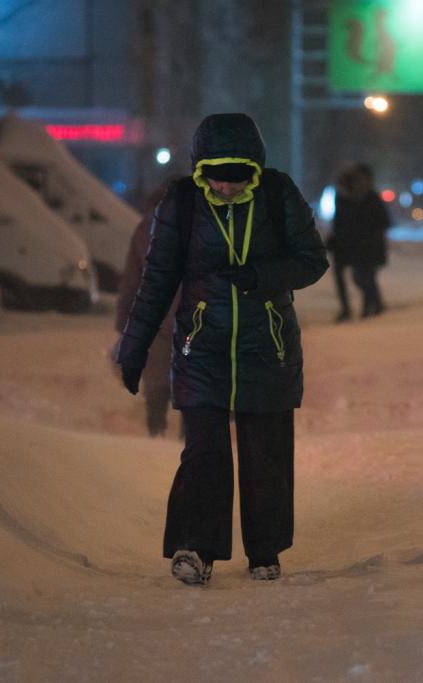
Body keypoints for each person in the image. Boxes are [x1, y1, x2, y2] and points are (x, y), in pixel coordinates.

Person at [115, 113, 328, 585]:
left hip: (267, 346)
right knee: (202, 454)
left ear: (254, 168)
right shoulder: (182, 203)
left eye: (236, 175)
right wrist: (133, 349)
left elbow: (313, 260)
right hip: (201, 348)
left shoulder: (278, 194)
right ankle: (196, 548)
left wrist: (261, 276)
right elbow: (155, 282)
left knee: (266, 455)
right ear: (200, 169)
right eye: (216, 175)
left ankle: (265, 551)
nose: (226, 186)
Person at [114, 186, 178, 438]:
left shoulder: (144, 230)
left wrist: (124, 325)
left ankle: (156, 434)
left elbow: (131, 282)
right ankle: (188, 441)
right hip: (194, 320)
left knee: (156, 384)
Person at [328, 163, 390, 322]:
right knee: (361, 275)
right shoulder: (365, 196)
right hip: (350, 243)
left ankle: (367, 305)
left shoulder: (365, 197)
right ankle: (367, 305)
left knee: (362, 276)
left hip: (356, 243)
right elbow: (340, 221)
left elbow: (380, 222)